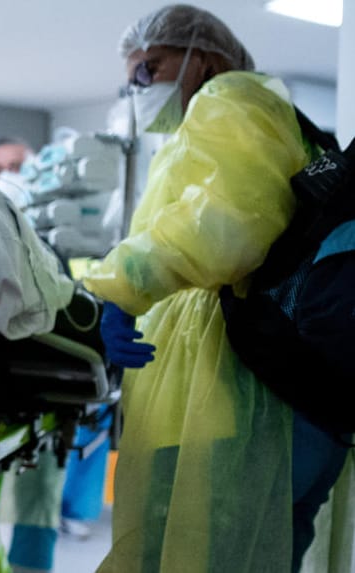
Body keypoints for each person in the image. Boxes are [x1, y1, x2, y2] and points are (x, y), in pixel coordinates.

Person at [83, 4, 352, 572]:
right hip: (291, 401)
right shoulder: (280, 121)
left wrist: (123, 286)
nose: (138, 89)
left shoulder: (228, 99)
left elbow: (226, 223)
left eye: (147, 69)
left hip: (240, 403)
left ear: (199, 60)